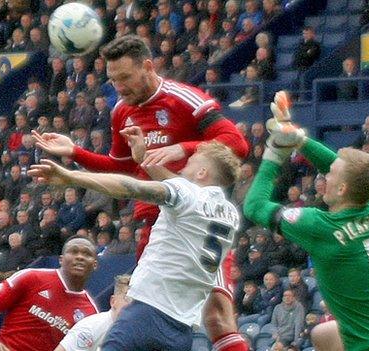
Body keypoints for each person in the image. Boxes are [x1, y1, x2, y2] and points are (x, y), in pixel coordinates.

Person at [32, 34, 249, 351]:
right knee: (142, 315)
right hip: (156, 226)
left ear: (147, 67)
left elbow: (237, 145)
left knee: (217, 317)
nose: (118, 87)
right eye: (113, 79)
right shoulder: (122, 111)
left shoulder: (184, 100)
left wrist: (181, 148)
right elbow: (123, 171)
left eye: (125, 77)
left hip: (194, 225)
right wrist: (75, 152)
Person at [244, 92, 369, 351]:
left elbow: (253, 206)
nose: (325, 175)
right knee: (323, 334)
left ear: (341, 190)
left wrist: (275, 151)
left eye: (331, 176)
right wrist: (298, 139)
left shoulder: (321, 227)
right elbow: (344, 170)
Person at [28, 135, 242, 351]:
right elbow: (182, 190)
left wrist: (71, 176)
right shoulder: (230, 215)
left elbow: (134, 188)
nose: (182, 167)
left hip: (146, 314)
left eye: (189, 163)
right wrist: (145, 159)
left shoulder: (187, 194)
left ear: (202, 173)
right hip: (182, 331)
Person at [0, 238, 99, 351]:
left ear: (95, 265)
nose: (80, 257)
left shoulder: (91, 314)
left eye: (87, 254)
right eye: (73, 251)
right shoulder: (32, 277)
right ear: (61, 259)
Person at [55, 275, 131, 351]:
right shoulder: (90, 327)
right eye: (127, 298)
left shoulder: (139, 334)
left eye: (137, 301)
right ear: (113, 301)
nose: (132, 304)